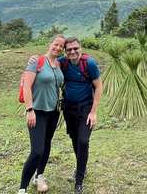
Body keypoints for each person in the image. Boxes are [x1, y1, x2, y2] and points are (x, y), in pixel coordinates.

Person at [30, 36, 102, 194]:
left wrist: (93, 112)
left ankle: (79, 182)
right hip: (69, 107)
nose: (72, 51)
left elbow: (99, 87)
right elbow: (49, 61)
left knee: (83, 141)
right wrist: (34, 59)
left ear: (80, 48)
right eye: (68, 49)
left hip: (86, 107)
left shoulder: (89, 63)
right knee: (75, 139)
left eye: (75, 48)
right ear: (65, 51)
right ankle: (80, 169)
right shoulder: (64, 62)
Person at [17, 34, 66, 194]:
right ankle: (22, 188)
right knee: (36, 151)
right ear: (50, 43)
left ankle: (39, 176)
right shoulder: (36, 62)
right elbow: (27, 87)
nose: (58, 48)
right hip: (37, 112)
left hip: (53, 112)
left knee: (46, 146)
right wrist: (29, 110)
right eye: (56, 44)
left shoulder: (58, 64)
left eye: (61, 46)